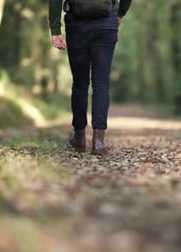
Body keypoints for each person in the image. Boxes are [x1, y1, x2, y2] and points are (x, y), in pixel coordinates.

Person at [49, 0, 132, 155]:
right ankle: (98, 141)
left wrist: (55, 30)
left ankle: (79, 137)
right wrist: (121, 13)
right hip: (106, 23)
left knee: (80, 83)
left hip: (76, 24)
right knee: (101, 83)